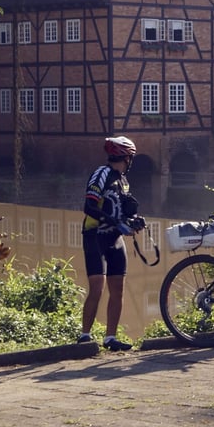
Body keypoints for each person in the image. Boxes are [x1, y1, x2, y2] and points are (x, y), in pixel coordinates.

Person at [79, 135, 145, 351]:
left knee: (118, 289)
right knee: (97, 287)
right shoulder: (101, 174)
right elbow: (89, 207)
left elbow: (122, 210)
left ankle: (110, 338)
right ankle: (85, 336)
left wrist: (134, 221)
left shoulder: (123, 181)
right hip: (95, 235)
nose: (131, 162)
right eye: (131, 158)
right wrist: (114, 221)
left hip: (115, 238)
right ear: (126, 157)